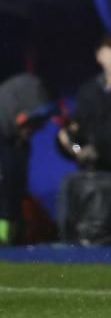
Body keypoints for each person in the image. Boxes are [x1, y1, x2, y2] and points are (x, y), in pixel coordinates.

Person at [57, 34, 111, 173]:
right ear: (99, 55)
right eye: (110, 46)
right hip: (99, 181)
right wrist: (72, 147)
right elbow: (76, 137)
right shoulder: (88, 93)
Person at [0, 72, 57, 245]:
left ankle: (9, 236)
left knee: (14, 189)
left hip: (11, 245)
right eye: (30, 124)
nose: (33, 129)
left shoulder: (20, 145)